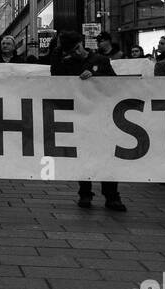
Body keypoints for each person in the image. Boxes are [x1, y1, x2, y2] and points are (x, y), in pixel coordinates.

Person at [50, 30, 125, 211]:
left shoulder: (100, 60)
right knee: (83, 155)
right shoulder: (65, 63)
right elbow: (55, 82)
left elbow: (114, 85)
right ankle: (85, 193)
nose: (75, 52)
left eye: (77, 48)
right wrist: (59, 55)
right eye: (70, 50)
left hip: (101, 114)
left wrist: (96, 78)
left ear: (81, 43)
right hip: (80, 115)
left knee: (107, 155)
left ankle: (112, 195)